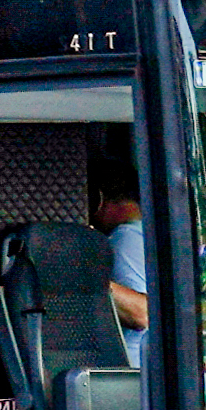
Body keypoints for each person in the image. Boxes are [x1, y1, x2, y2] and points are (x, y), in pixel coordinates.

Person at [86, 135, 152, 332]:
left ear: (96, 200)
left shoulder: (126, 238)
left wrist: (79, 274)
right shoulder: (150, 236)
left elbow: (143, 314)